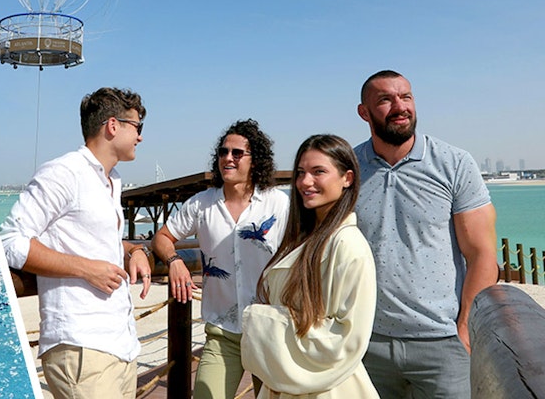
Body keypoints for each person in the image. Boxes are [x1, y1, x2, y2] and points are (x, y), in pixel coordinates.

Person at [0, 87, 152, 399]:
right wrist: (86, 270)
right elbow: (10, 240)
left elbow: (97, 240)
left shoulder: (112, 180)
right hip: (81, 348)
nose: (140, 137)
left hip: (121, 345)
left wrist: (135, 249)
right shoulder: (64, 172)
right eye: (137, 127)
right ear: (113, 125)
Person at [352, 70, 498, 398]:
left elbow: (482, 254)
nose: (400, 106)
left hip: (442, 345)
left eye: (406, 97)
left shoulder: (454, 164)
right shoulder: (349, 169)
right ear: (364, 112)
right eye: (385, 100)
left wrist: (465, 330)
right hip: (365, 342)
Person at [151, 119, 290, 399]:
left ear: (256, 160)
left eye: (237, 153)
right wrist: (175, 260)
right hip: (222, 333)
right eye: (223, 152)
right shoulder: (201, 204)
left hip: (270, 332)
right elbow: (161, 238)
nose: (228, 158)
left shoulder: (279, 204)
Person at [241, 134, 378, 399]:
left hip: (327, 388)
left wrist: (261, 323)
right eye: (301, 173)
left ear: (347, 178)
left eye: (319, 172)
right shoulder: (306, 238)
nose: (305, 182)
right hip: (290, 384)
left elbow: (346, 339)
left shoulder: (348, 245)